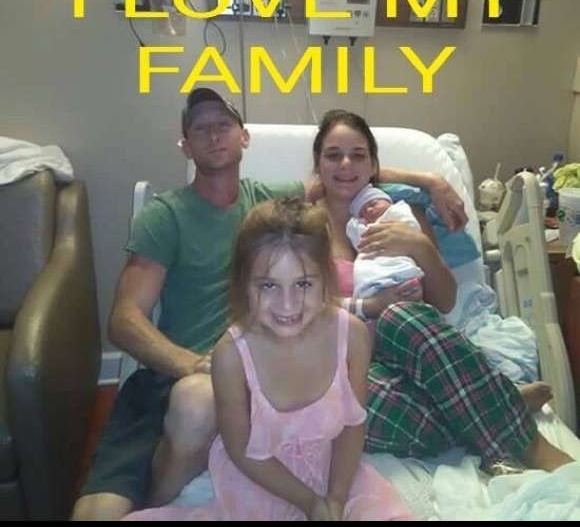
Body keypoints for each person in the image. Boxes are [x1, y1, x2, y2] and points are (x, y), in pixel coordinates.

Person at [71, 87, 468, 521]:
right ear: (185, 145)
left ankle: (161, 495)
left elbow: (344, 173)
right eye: (200, 128)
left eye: (224, 124)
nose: (214, 134)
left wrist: (431, 180)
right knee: (98, 512)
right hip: (173, 373)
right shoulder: (166, 215)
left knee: (199, 407)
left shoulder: (269, 203)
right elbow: (124, 320)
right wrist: (190, 363)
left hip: (251, 374)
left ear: (244, 137)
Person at [311, 107, 574, 475]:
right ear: (317, 164)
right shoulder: (304, 223)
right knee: (362, 408)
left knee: (399, 315)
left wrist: (419, 246)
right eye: (333, 155)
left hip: (412, 338)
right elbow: (301, 304)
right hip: (350, 356)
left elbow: (446, 302)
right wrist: (369, 305)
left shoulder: (402, 211)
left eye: (358, 155)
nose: (345, 164)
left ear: (373, 165)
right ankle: (496, 399)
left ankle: (530, 446)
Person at [121, 197, 417, 521]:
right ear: (244, 284)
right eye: (269, 286)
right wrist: (310, 503)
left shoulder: (353, 337)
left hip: (338, 478)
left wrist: (334, 499)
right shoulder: (231, 355)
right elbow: (240, 448)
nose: (288, 304)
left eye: (303, 283)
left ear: (326, 279)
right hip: (262, 484)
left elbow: (352, 427)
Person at [346, 183, 424, 301]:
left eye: (373, 204)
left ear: (389, 203)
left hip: (398, 265)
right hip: (372, 274)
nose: (369, 210)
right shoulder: (366, 227)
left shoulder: (396, 212)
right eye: (363, 212)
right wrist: (359, 225)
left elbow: (412, 229)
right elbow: (359, 244)